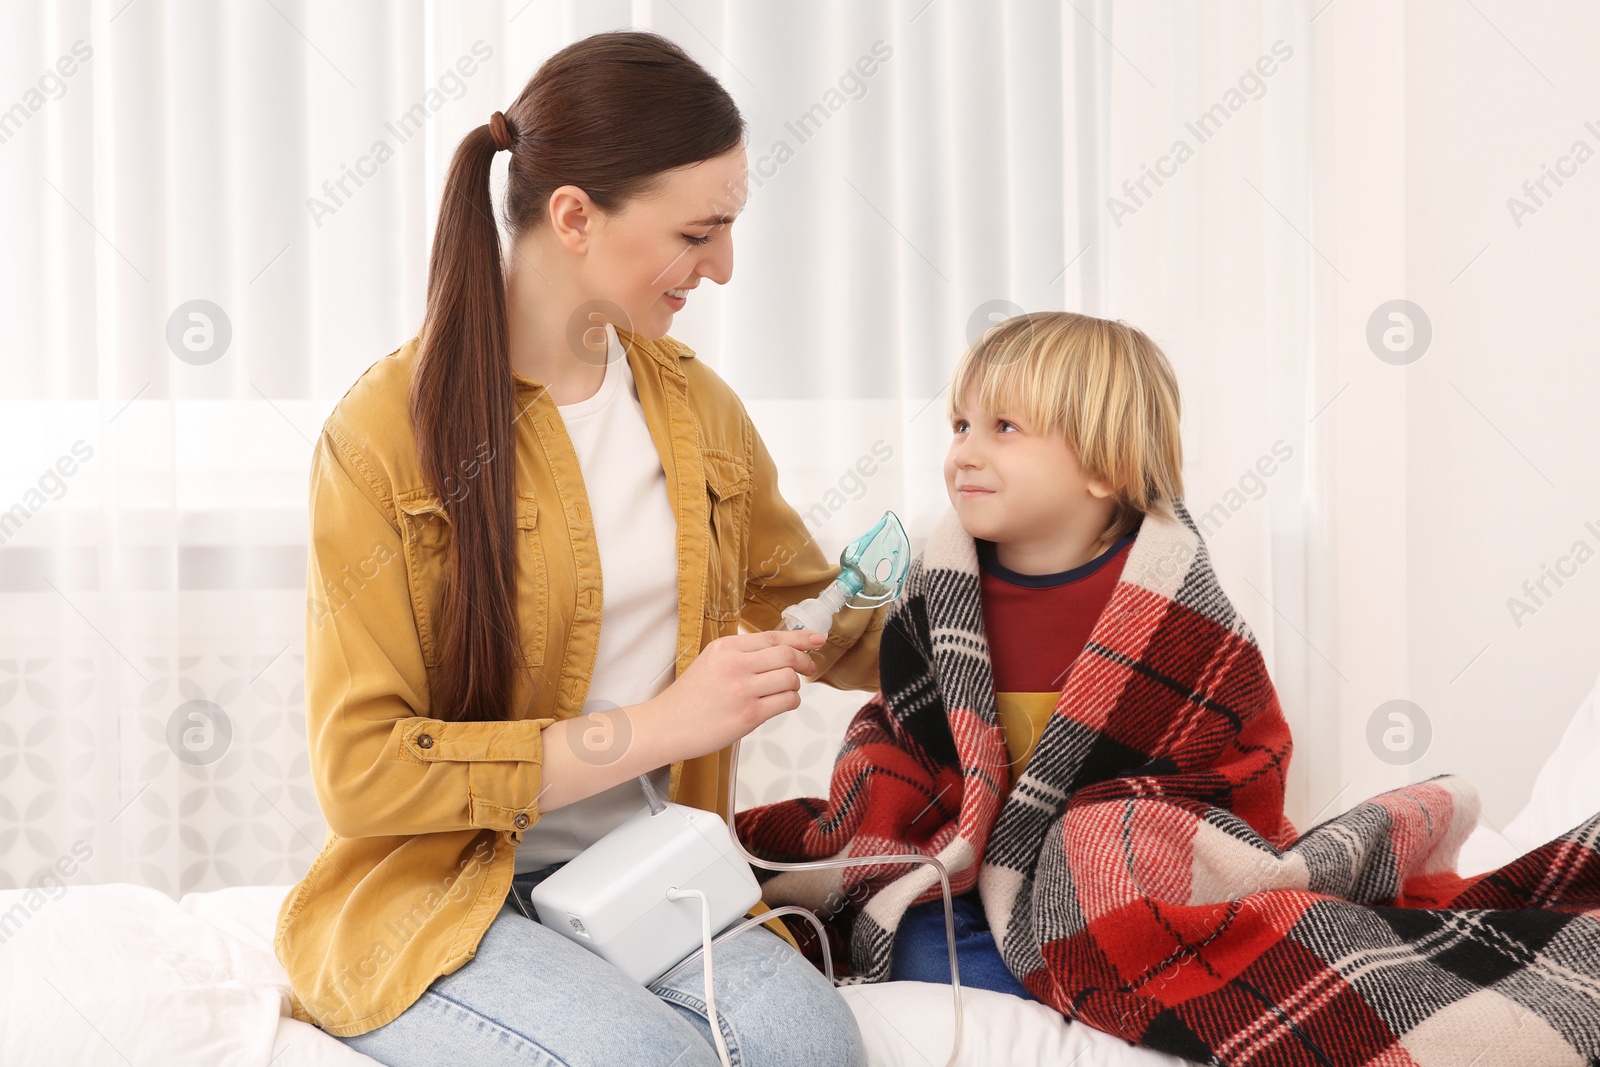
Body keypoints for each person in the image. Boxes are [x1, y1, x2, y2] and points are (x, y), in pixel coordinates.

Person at [737, 311, 1600, 1065]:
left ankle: (1083, 948)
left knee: (1109, 875)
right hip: (968, 854)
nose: (964, 450)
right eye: (960, 423)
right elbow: (912, 737)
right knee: (920, 947)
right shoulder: (937, 588)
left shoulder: (1173, 606)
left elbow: (1233, 760)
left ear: (1104, 470)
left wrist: (1103, 844)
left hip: (1105, 857)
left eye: (1004, 427)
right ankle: (1022, 949)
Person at [273, 30, 882, 1067]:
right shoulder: (381, 436)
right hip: (442, 893)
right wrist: (661, 724)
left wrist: (1010, 563)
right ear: (573, 218)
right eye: (701, 231)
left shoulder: (695, 410)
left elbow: (825, 617)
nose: (724, 267)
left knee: (818, 1047)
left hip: (641, 870)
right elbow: (363, 771)